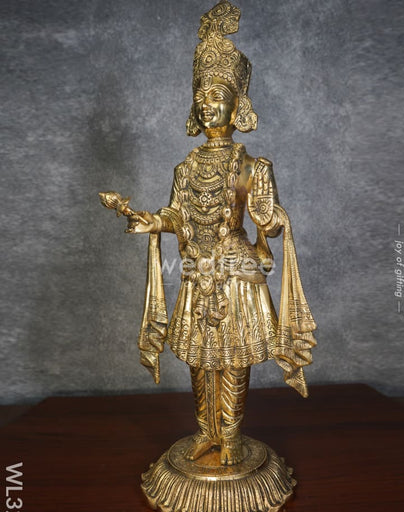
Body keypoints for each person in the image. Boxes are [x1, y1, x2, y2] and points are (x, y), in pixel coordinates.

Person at [120, 0, 316, 466]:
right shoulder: (185, 168)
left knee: (232, 360)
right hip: (196, 271)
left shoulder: (252, 167)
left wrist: (271, 218)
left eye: (218, 94)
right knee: (199, 361)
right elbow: (178, 215)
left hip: (235, 274)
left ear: (238, 104)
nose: (208, 104)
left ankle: (230, 435)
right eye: (201, 95)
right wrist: (155, 221)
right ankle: (205, 430)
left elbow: (268, 221)